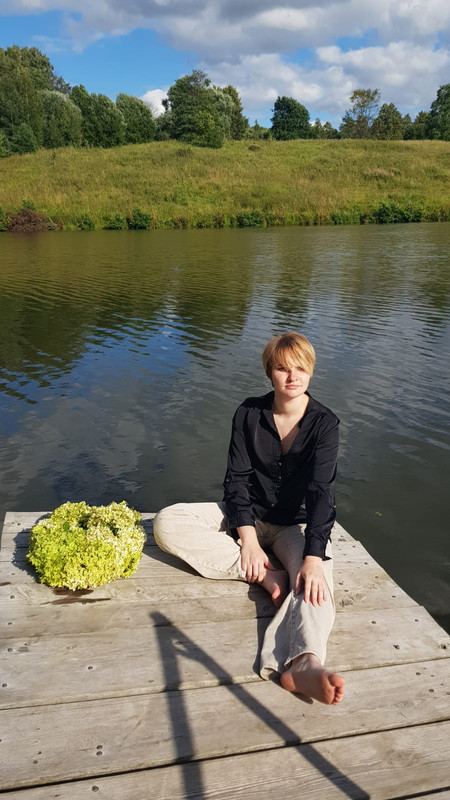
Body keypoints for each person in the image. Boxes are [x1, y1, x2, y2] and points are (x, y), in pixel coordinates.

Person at [153, 332, 345, 705]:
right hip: (247, 516)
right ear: (269, 372)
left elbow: (322, 494)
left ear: (311, 371)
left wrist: (312, 558)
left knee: (316, 581)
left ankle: (304, 664)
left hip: (294, 525)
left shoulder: (325, 424)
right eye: (283, 368)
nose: (293, 376)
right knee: (167, 522)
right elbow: (236, 481)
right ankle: (267, 575)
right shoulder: (248, 413)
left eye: (301, 368)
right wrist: (249, 543)